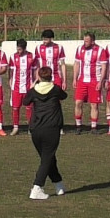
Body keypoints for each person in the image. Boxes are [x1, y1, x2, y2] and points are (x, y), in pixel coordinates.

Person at [24, 66, 68, 200]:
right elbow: (64, 95)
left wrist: (34, 83)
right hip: (51, 128)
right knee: (47, 159)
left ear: (39, 76)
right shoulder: (55, 89)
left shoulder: (33, 91)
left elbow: (25, 101)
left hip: (36, 129)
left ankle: (58, 184)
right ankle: (37, 187)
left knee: (48, 158)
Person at [70, 32, 104, 135]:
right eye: (84, 40)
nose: (85, 43)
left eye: (87, 41)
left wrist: (101, 81)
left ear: (93, 41)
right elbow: (76, 63)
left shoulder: (100, 51)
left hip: (95, 81)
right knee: (78, 103)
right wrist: (75, 78)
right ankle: (78, 126)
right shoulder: (80, 49)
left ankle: (93, 127)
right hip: (82, 80)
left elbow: (104, 67)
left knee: (94, 104)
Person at [8, 39, 36, 135]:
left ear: (24, 48)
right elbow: (11, 71)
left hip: (28, 86)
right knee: (15, 108)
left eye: (20, 49)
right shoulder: (13, 57)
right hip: (16, 87)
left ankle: (30, 127)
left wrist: (35, 82)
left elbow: (35, 70)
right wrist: (10, 80)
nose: (18, 51)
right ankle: (15, 127)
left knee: (29, 107)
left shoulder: (31, 56)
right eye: (17, 49)